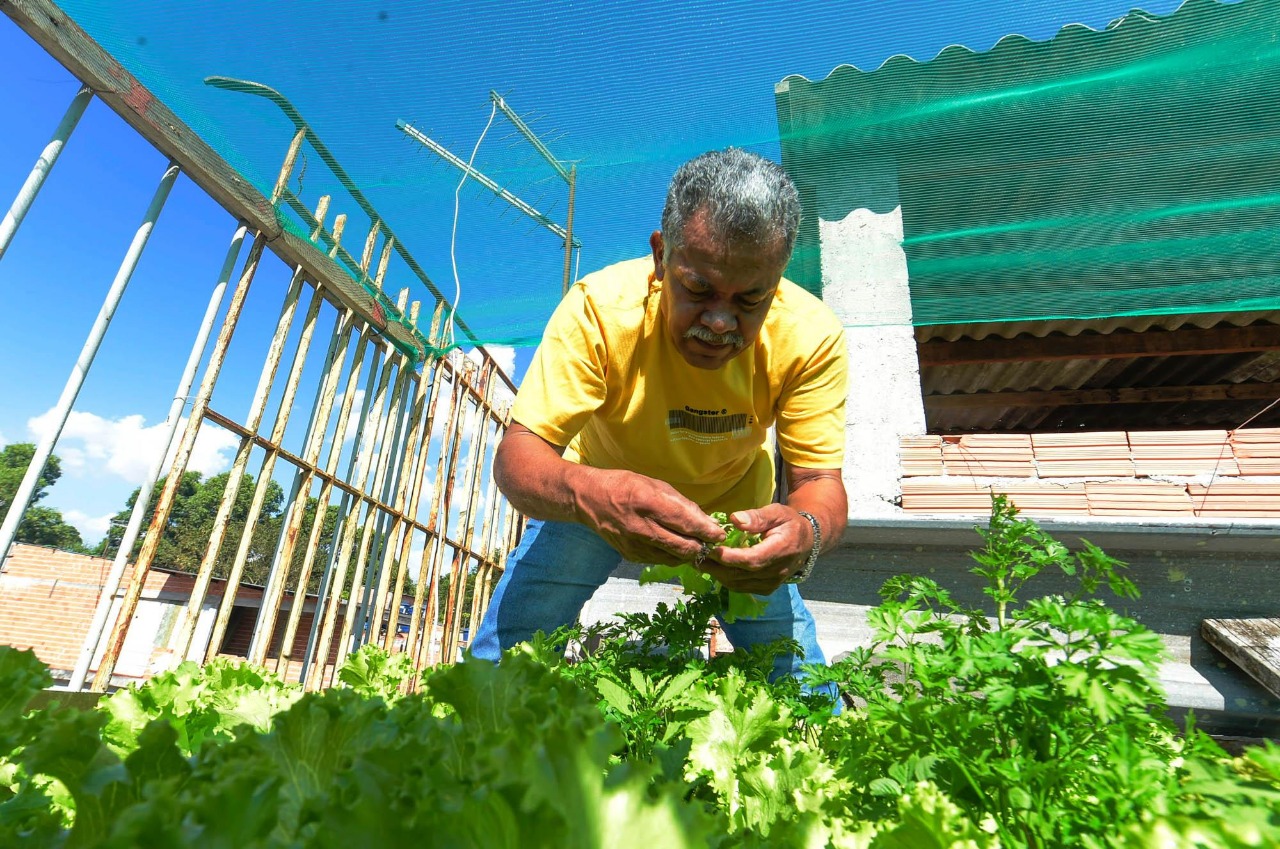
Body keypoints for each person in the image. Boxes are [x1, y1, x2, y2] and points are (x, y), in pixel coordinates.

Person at [470, 148, 848, 684]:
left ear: (778, 279)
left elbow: (819, 482)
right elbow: (519, 457)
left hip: (735, 519)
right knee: (502, 669)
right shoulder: (599, 309)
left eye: (751, 300)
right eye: (698, 289)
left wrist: (806, 531)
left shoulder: (812, 336)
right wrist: (591, 496)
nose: (720, 322)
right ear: (660, 256)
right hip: (599, 496)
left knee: (801, 688)